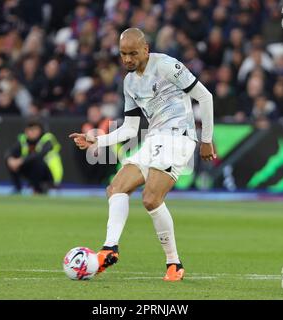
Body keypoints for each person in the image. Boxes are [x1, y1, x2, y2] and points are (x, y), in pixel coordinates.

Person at [69, 28, 215, 281]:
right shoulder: (129, 82)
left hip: (178, 136)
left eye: (132, 53)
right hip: (155, 138)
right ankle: (109, 249)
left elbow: (205, 96)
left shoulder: (168, 66)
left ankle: (173, 263)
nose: (127, 59)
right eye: (123, 54)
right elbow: (130, 128)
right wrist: (98, 139)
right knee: (116, 188)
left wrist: (206, 140)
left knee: (150, 199)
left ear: (145, 49)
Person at [5, 117, 63, 194]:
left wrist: (20, 161)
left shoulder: (48, 138)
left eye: (34, 129)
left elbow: (39, 155)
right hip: (33, 172)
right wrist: (10, 159)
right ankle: (18, 188)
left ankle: (40, 188)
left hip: (50, 175)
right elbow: (10, 152)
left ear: (40, 130)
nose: (31, 132)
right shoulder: (23, 139)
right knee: (10, 160)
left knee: (36, 161)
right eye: (29, 129)